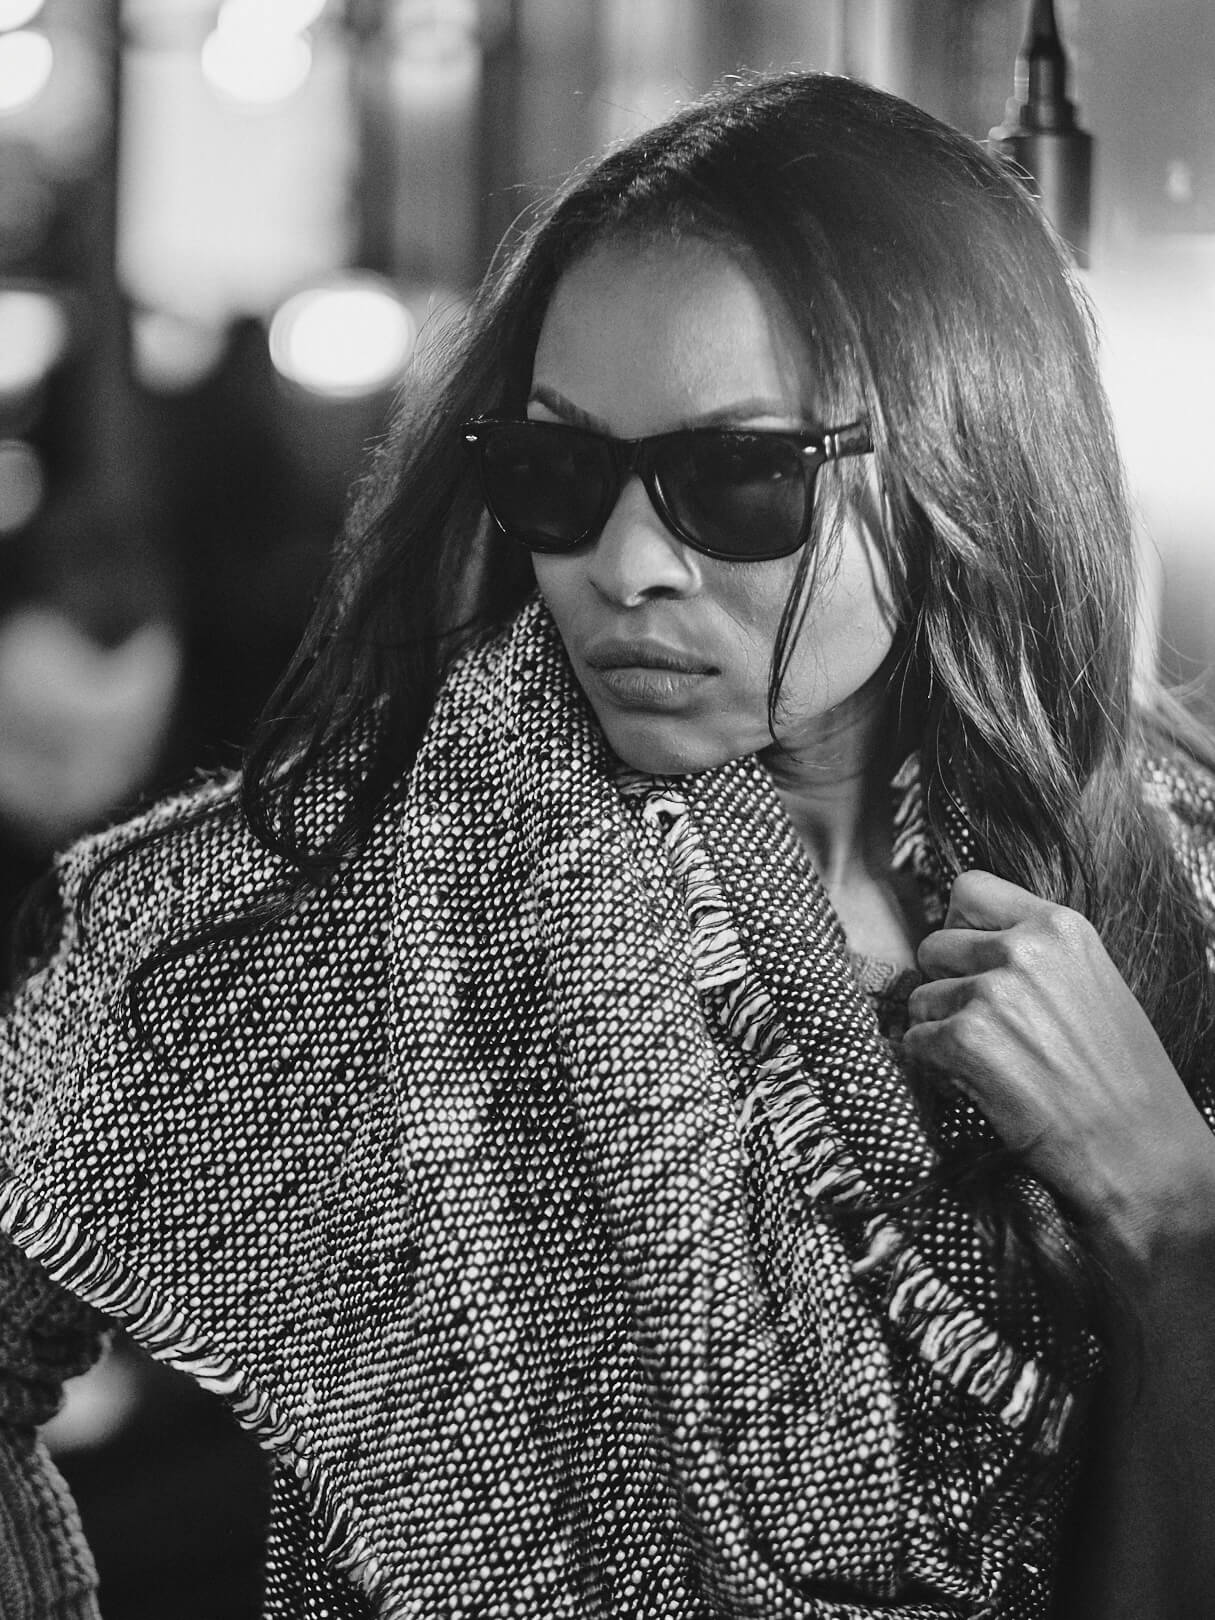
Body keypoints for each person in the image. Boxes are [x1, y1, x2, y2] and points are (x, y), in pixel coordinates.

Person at [1, 68, 1213, 1620]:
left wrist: (1175, 1217)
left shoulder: (1180, 884)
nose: (623, 567)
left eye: (737, 479)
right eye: (557, 475)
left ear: (961, 459)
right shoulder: (328, 909)